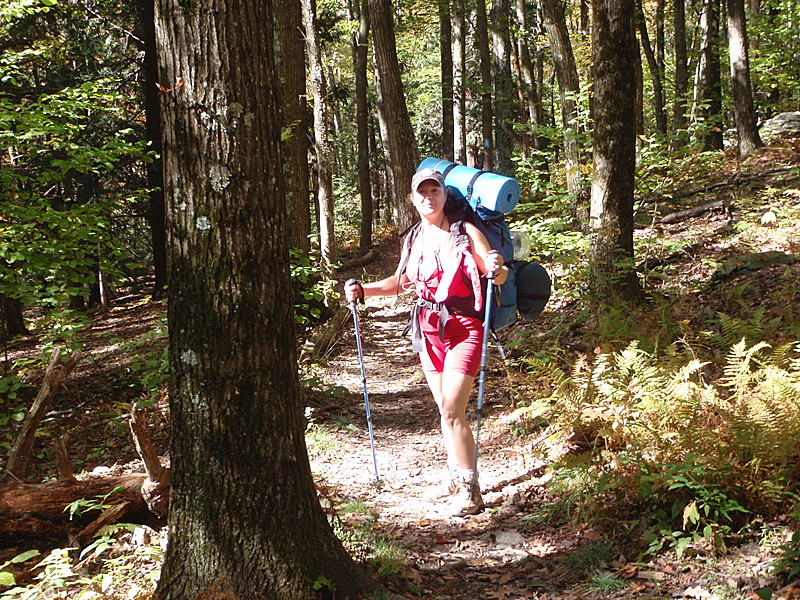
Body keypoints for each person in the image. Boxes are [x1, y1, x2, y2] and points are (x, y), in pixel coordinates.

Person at [344, 168, 507, 516]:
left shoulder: (467, 232)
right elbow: (403, 282)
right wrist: (365, 291)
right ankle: (453, 472)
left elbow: (497, 273)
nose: (428, 198)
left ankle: (469, 488)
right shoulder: (414, 237)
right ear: (412, 199)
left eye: (435, 191)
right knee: (443, 410)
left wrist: (498, 265)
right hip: (428, 327)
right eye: (422, 193)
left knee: (452, 410)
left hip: (464, 327)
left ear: (445, 196)